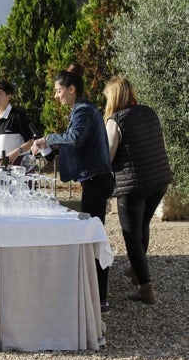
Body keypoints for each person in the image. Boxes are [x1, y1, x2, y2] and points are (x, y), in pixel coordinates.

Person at [31, 63, 114, 313]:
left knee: (93, 235)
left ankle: (100, 298)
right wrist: (47, 151)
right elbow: (74, 145)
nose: (56, 96)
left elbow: (74, 139)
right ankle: (96, 294)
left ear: (72, 89)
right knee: (92, 233)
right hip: (93, 180)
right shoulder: (80, 111)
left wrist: (48, 139)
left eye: (58, 90)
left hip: (96, 180)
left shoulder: (83, 111)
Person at [104, 77, 172, 304]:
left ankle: (146, 288)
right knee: (142, 226)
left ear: (113, 97)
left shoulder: (115, 121)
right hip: (158, 180)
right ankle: (136, 268)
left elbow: (109, 156)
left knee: (131, 236)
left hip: (132, 186)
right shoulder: (149, 112)